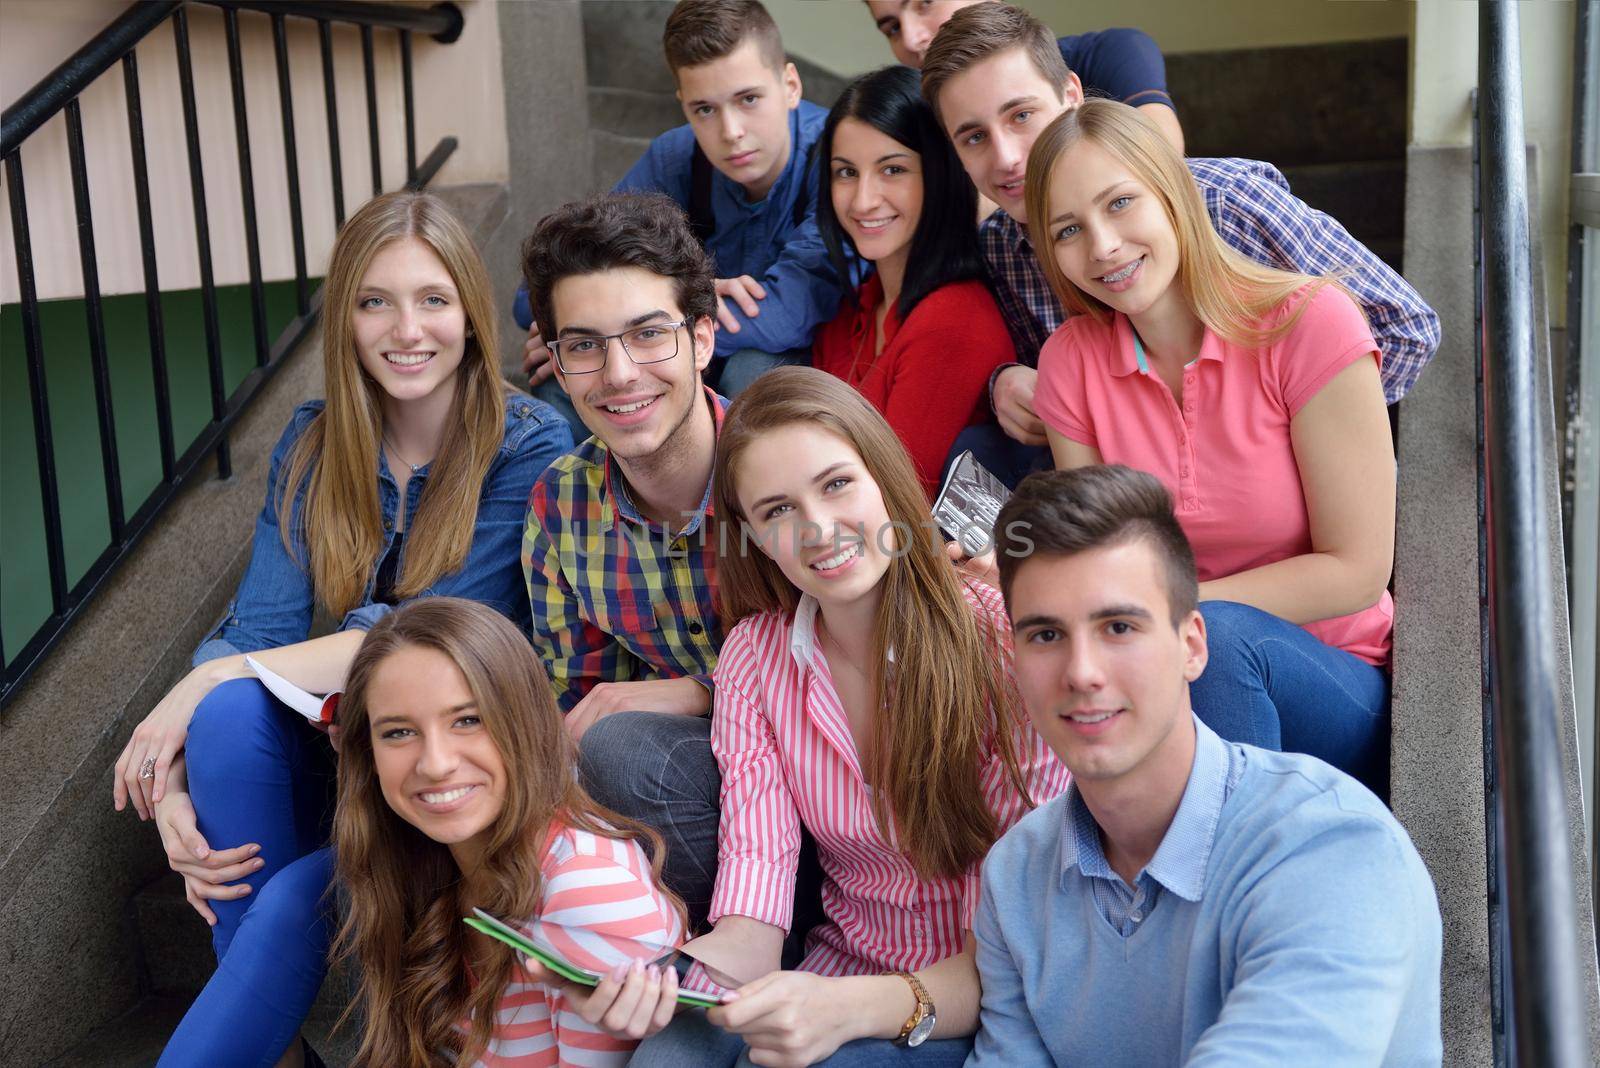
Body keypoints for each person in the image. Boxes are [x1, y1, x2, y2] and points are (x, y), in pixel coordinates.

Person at [123, 192, 573, 1067]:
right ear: (347, 321)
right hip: (343, 762)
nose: (407, 329)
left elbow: (417, 636)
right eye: (375, 302)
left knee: (292, 889)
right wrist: (172, 782)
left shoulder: (527, 443)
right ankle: (282, 1048)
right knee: (224, 718)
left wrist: (200, 680)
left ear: (473, 317)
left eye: (434, 300)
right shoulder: (314, 443)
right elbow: (256, 626)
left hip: (452, 775)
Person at [629, 367, 1069, 1067]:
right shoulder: (755, 657)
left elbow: (1028, 942)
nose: (819, 529)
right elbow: (753, 913)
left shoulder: (1002, 637)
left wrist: (842, 1011)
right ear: (751, 536)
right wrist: (656, 980)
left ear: (884, 479)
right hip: (836, 974)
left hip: (980, 997)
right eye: (777, 511)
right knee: (667, 1051)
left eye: (836, 485)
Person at [969, 465, 1442, 1065]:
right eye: (1045, 635)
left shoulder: (1329, 844)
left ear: (1193, 645)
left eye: (1118, 626)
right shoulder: (1015, 875)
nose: (1082, 671)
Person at [919, 1, 1441, 487]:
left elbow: (1405, 327)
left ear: (1072, 96)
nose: (1007, 156)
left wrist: (1293, 435)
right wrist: (1002, 381)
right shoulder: (1003, 247)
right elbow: (1060, 378)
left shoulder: (1228, 202)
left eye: (1021, 115)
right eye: (974, 137)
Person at [1031, 99, 1396, 791]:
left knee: (1222, 642)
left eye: (1121, 203)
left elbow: (1357, 569)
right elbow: (1099, 563)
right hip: (1168, 676)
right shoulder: (1069, 364)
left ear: (1173, 194)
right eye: (1070, 229)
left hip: (1332, 683)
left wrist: (1172, 613)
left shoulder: (1311, 324)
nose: (1103, 246)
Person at [331, 597, 686, 1067]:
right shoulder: (417, 861)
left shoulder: (586, 891)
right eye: (398, 732)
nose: (435, 763)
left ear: (525, 721)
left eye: (467, 720)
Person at [520, 191, 729, 930]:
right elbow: (575, 698)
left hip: (836, 793)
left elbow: (860, 673)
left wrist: (701, 692)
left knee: (625, 744)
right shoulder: (562, 505)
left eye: (647, 335)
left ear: (702, 339)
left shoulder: (789, 469)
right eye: (583, 346)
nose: (617, 374)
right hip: (693, 810)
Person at [515, 0, 848, 433]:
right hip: (690, 344)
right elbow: (535, 294)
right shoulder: (678, 157)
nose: (730, 132)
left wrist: (651, 321)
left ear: (790, 85)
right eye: (705, 109)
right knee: (562, 382)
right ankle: (584, 498)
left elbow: (784, 314)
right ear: (683, 104)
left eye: (748, 99)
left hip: (808, 354)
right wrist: (582, 337)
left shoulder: (838, 158)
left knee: (753, 372)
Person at [811, 64, 1011, 494]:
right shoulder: (851, 309)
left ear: (939, 174)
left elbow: (896, 501)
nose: (863, 200)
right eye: (846, 172)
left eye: (893, 170)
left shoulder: (954, 320)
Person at [864, 0, 1184, 151]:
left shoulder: (1106, 53)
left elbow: (1160, 159)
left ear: (1071, 92)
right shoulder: (911, 117)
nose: (909, 39)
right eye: (892, 28)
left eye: (925, 3)